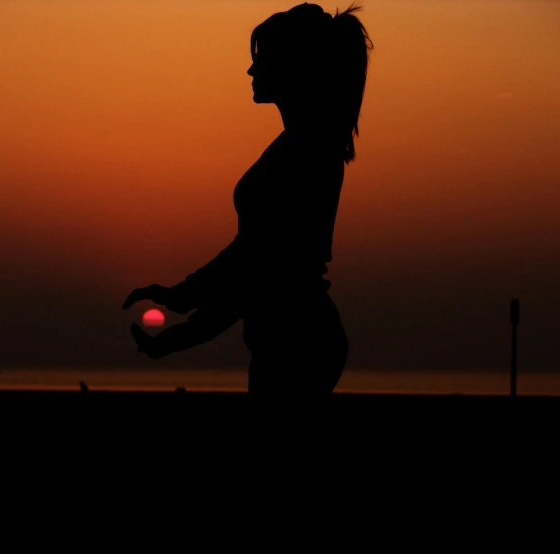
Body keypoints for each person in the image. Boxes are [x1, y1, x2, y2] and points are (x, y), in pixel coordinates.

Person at [123, 2, 373, 394]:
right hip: (290, 338)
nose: (251, 70)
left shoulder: (304, 152)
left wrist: (183, 309)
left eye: (262, 59)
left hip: (298, 343)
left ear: (294, 66)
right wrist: (183, 302)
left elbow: (260, 267)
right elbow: (252, 262)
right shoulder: (299, 146)